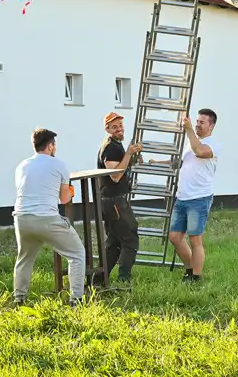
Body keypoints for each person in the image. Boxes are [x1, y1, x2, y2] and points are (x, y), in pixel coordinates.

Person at [12, 128, 86, 305]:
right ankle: (76, 299)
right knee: (77, 254)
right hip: (47, 219)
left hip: (21, 218)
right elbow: (65, 199)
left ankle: (19, 298)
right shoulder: (59, 165)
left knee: (24, 259)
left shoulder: (22, 165)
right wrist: (70, 191)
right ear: (51, 146)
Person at [167, 108, 220, 282]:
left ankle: (195, 276)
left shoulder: (213, 144)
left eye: (201, 122)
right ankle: (190, 269)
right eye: (196, 122)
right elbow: (182, 162)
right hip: (182, 196)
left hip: (199, 198)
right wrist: (157, 161)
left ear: (211, 126)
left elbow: (200, 152)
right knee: (174, 237)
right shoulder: (190, 142)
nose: (197, 125)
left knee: (195, 239)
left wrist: (189, 130)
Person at [97, 112, 143, 286]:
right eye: (114, 126)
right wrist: (129, 153)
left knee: (114, 242)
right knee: (130, 238)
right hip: (114, 201)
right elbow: (115, 175)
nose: (119, 129)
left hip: (112, 200)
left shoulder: (116, 146)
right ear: (107, 129)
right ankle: (124, 280)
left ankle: (99, 280)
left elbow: (122, 166)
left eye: (120, 125)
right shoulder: (110, 147)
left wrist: (133, 155)